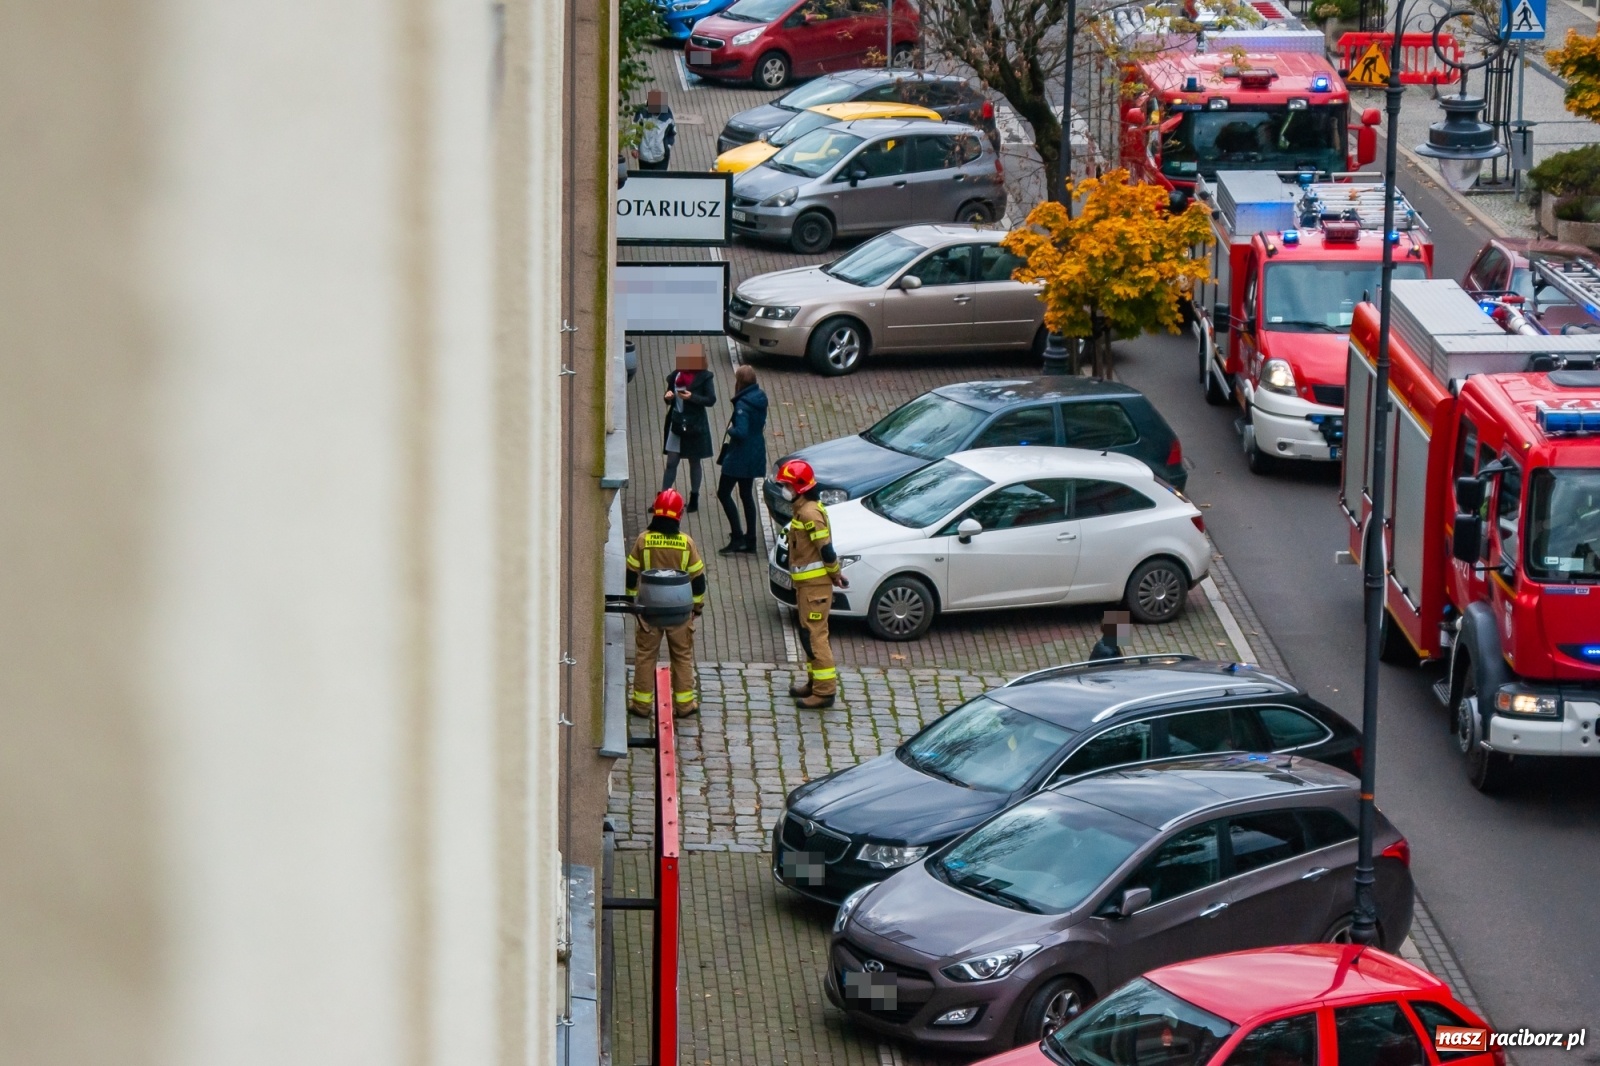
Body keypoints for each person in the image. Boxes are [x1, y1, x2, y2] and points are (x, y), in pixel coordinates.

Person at [626, 489, 706, 718]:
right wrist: (696, 608)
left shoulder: (643, 540)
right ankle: (684, 705)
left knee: (645, 655)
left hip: (649, 610)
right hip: (679, 612)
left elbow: (631, 573)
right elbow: (699, 581)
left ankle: (641, 705)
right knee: (681, 656)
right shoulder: (686, 543)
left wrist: (633, 603)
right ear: (679, 515)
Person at [775, 459, 848, 709]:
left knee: (815, 636)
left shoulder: (809, 513)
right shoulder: (803, 509)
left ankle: (824, 692)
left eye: (787, 485)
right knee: (808, 635)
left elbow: (826, 549)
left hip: (815, 587)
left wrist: (835, 572)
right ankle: (813, 683)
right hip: (808, 587)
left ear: (799, 487)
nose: (784, 489)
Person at [716, 364, 768, 555]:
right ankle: (751, 539)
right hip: (755, 452)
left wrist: (731, 429)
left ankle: (737, 536)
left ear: (739, 382)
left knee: (723, 493)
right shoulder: (760, 398)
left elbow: (741, 432)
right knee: (746, 494)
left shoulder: (742, 405)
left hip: (740, 456)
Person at [661, 343, 716, 512]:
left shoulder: (705, 377)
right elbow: (668, 396)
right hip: (676, 422)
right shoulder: (676, 376)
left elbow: (710, 400)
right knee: (671, 461)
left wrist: (692, 397)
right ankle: (663, 499)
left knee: (694, 461)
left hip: (694, 425)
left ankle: (694, 497)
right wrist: (668, 397)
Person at [634, 89, 676, 171]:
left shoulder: (667, 115)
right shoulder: (642, 112)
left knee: (659, 181)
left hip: (661, 157)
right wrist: (635, 147)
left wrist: (667, 146)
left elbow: (672, 132)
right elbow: (636, 130)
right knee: (645, 180)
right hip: (644, 156)